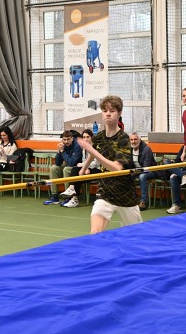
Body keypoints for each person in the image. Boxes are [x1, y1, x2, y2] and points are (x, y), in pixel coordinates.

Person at [77, 95, 142, 234]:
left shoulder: (123, 138)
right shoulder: (99, 136)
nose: (108, 114)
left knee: (135, 236)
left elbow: (116, 168)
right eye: (105, 110)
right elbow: (93, 152)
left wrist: (92, 151)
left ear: (119, 113)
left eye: (112, 111)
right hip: (105, 192)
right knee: (95, 232)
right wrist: (84, 169)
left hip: (124, 195)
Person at [60, 129, 101, 208]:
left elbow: (96, 163)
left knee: (76, 173)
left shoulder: (96, 147)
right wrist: (85, 168)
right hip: (88, 168)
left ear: (92, 137)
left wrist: (84, 166)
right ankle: (73, 194)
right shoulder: (84, 148)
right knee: (76, 173)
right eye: (84, 137)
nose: (85, 139)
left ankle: (73, 195)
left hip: (97, 170)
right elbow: (84, 160)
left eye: (87, 137)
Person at [43, 130, 82, 205]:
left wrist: (63, 152)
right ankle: (54, 197)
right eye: (64, 139)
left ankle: (68, 197)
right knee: (53, 168)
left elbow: (71, 163)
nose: (66, 141)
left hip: (76, 168)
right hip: (67, 166)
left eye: (68, 139)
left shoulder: (77, 146)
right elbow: (58, 163)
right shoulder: (63, 146)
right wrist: (59, 151)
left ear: (72, 138)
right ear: (62, 140)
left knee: (66, 169)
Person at [131, 132, 158, 210]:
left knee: (142, 176)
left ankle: (144, 202)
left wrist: (134, 171)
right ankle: (133, 198)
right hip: (137, 171)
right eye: (131, 140)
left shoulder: (146, 149)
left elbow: (146, 167)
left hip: (151, 171)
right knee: (126, 175)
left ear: (139, 140)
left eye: (135, 139)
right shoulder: (130, 149)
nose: (133, 141)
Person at [165, 145, 186, 214]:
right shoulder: (183, 147)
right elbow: (177, 160)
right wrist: (174, 162)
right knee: (166, 162)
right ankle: (177, 206)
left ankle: (183, 175)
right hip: (181, 170)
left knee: (174, 176)